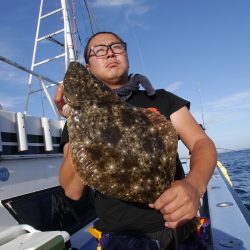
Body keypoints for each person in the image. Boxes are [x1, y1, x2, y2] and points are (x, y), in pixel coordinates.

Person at [54, 31, 217, 249]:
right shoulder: (76, 121)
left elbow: (201, 143)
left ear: (126, 54)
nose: (110, 54)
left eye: (117, 47)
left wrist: (195, 185)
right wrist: (81, 122)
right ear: (88, 69)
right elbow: (72, 191)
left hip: (180, 227)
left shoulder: (160, 99)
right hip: (120, 237)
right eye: (100, 51)